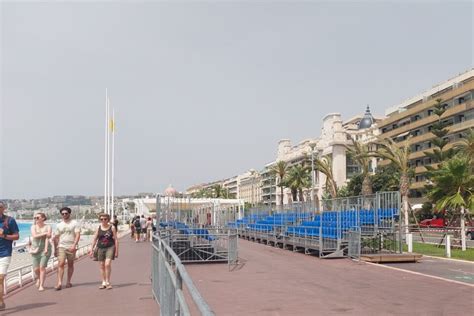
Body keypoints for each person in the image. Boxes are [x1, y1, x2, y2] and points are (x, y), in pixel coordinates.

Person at [53, 207, 81, 290]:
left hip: (71, 246)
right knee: (60, 263)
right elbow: (57, 237)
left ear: (69, 214)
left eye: (66, 213)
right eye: (63, 214)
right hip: (61, 246)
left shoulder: (75, 223)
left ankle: (68, 281)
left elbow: (77, 235)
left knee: (70, 264)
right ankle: (59, 283)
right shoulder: (59, 225)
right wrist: (55, 249)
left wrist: (74, 245)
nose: (64, 215)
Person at [89, 213, 118, 289]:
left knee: (107, 264)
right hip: (100, 248)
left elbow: (116, 240)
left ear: (108, 220)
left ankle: (108, 282)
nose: (103, 220)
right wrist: (91, 249)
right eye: (101, 219)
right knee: (102, 265)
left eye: (105, 219)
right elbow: (95, 239)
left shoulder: (112, 228)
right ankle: (103, 282)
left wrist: (117, 251)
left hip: (110, 247)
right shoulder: (98, 228)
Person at [0, 201, 19, 311]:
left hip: (4, 253)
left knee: (0, 278)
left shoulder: (9, 221)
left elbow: (16, 236)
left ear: (3, 208)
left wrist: (4, 235)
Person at [30, 212, 52, 291]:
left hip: (45, 249)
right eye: (35, 218)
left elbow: (47, 238)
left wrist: (46, 249)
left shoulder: (48, 226)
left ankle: (41, 285)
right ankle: (38, 278)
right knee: (36, 269)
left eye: (37, 218)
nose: (36, 219)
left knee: (42, 267)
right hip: (35, 249)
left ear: (43, 218)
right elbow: (34, 235)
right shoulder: (33, 227)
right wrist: (45, 233)